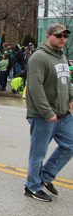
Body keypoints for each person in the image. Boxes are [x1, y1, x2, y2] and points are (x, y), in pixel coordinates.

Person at [24, 24, 73, 202]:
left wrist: (71, 98)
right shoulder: (39, 57)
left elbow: (66, 80)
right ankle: (32, 186)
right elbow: (35, 87)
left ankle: (45, 175)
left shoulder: (61, 56)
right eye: (58, 35)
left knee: (70, 145)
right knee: (38, 153)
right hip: (44, 115)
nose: (62, 39)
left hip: (64, 114)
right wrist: (47, 112)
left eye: (65, 36)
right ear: (49, 36)